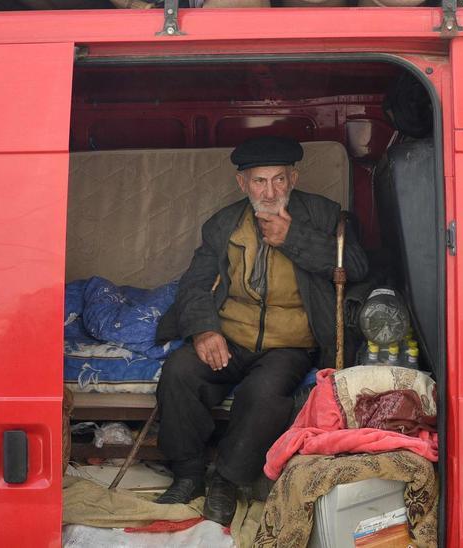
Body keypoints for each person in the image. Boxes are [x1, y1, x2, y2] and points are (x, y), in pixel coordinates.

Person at [153, 136, 367, 525]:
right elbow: (195, 284)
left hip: (288, 344)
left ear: (294, 178)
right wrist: (204, 330)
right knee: (179, 372)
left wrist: (295, 239)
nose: (270, 192)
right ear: (242, 183)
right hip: (231, 336)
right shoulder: (224, 224)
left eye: (279, 180)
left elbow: (356, 265)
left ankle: (228, 480)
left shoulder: (324, 215)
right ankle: (187, 474)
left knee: (265, 393)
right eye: (259, 182)